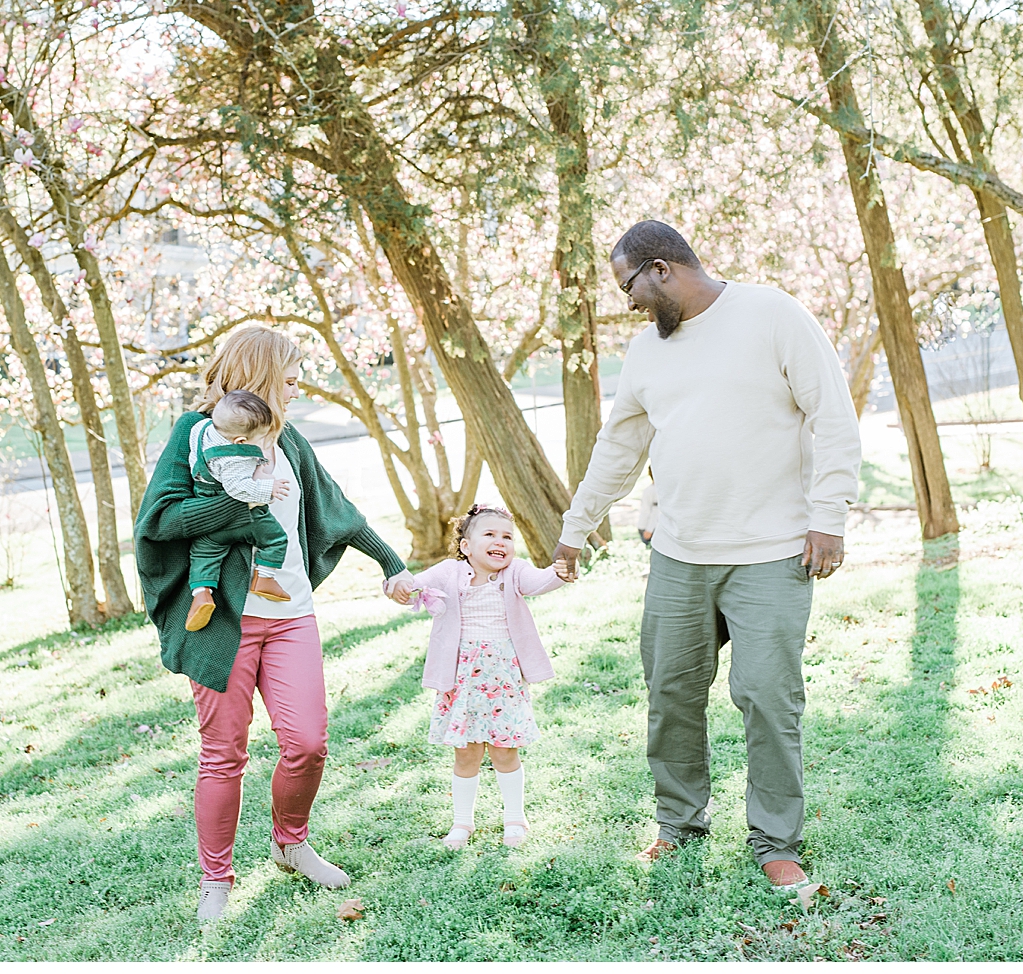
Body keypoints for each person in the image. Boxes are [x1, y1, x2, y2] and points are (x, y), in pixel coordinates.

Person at [551, 220, 861, 892]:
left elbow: (832, 416)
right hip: (679, 555)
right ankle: (679, 825)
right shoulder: (646, 352)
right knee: (671, 696)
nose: (629, 303)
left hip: (772, 553)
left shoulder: (772, 314)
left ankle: (777, 843)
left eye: (629, 286)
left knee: (769, 700)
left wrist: (828, 517)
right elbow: (619, 448)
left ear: (661, 269)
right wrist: (578, 526)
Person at [134, 325, 416, 922]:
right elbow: (160, 519)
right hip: (221, 621)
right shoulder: (196, 433)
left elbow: (335, 509)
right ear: (259, 371)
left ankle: (291, 843)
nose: (296, 384)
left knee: (309, 742)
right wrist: (242, 501)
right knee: (224, 751)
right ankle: (216, 879)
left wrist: (391, 563)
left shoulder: (287, 440)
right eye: (288, 374)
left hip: (290, 615)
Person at [398, 504, 565, 850]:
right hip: (461, 680)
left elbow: (540, 582)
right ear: (466, 546)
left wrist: (561, 572)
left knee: (505, 750)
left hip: (502, 679)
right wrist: (397, 585)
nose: (500, 542)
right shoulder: (449, 572)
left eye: (507, 536)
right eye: (489, 534)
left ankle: (515, 819)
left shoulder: (514, 572)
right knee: (466, 753)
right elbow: (412, 584)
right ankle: (463, 822)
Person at [184, 388, 293, 632]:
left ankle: (201, 594)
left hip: (206, 513)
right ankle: (264, 577)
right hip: (243, 516)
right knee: (275, 538)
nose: (262, 446)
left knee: (203, 553)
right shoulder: (235, 459)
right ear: (240, 442)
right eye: (260, 440)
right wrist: (268, 488)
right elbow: (238, 489)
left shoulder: (201, 431)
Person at [636, 467, 658, 547]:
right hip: (648, 528)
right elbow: (648, 511)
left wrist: (649, 529)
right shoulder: (651, 490)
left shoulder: (650, 490)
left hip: (650, 528)